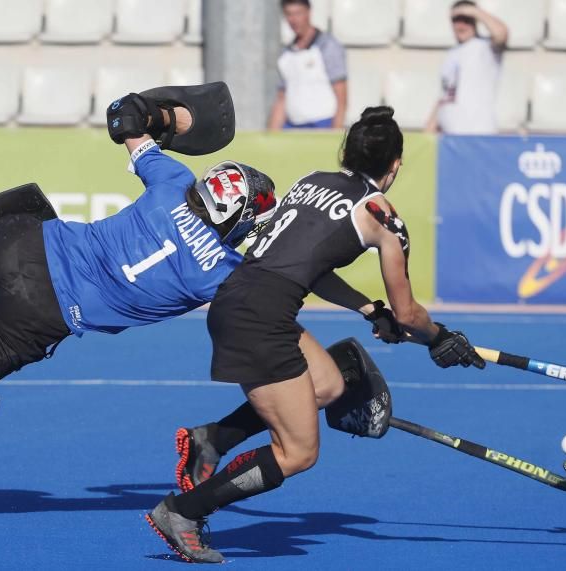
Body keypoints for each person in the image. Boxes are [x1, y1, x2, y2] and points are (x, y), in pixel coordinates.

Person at [0, 90, 403, 510]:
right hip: (41, 314)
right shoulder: (228, 273)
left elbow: (124, 119)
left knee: (6, 232)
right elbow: (290, 284)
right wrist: (367, 310)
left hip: (26, 243)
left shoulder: (171, 182)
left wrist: (167, 118)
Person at [145, 107, 485, 564]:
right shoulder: (382, 216)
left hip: (243, 299)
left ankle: (213, 439)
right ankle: (183, 512)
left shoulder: (312, 181)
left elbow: (312, 267)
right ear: (396, 165)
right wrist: (439, 338)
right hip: (262, 320)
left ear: (346, 151)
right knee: (299, 452)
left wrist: (368, 309)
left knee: (327, 384)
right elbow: (409, 314)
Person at [425, 1, 508, 134]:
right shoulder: (450, 54)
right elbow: (446, 94)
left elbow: (502, 33)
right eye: (456, 19)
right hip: (450, 137)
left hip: (478, 134)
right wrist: (431, 125)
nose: (461, 25)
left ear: (475, 20)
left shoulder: (485, 47)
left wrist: (475, 11)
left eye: (466, 19)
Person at [268, 0, 348, 130]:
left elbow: (341, 95)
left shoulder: (328, 46)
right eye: (289, 14)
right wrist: (271, 136)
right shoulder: (286, 54)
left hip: (323, 125)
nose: (294, 19)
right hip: (292, 126)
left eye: (298, 13)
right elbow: (282, 98)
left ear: (309, 12)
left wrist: (335, 133)